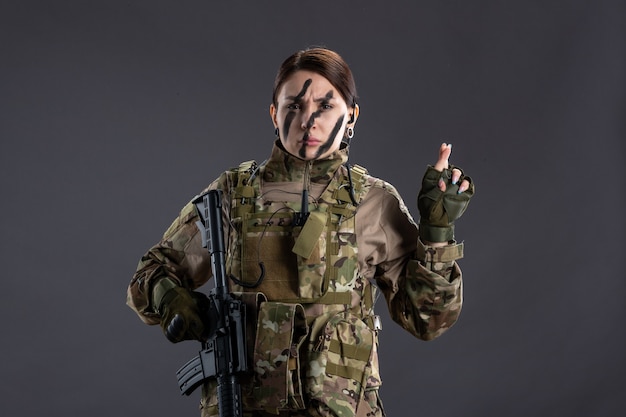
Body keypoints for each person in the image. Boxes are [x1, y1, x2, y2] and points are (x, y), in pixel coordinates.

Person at [127, 47, 474, 417]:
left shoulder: (373, 203)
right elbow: (149, 275)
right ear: (274, 113)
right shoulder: (231, 195)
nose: (309, 120)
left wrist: (437, 232)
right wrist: (170, 300)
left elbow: (427, 320)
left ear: (351, 116)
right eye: (294, 105)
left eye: (325, 106)